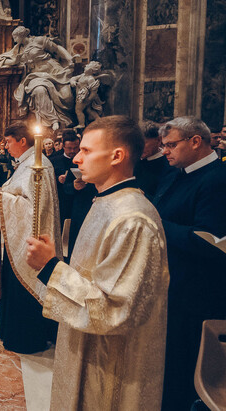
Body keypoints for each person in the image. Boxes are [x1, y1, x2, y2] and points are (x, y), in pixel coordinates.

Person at [26, 115, 169, 410]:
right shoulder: (105, 201)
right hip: (86, 345)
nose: (77, 158)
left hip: (111, 364)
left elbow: (115, 309)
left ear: (117, 155)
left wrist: (52, 266)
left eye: (87, 151)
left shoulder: (133, 220)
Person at [151, 116, 226, 410]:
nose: (165, 151)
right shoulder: (176, 172)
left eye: (171, 145)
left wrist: (156, 223)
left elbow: (211, 241)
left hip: (196, 291)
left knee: (185, 366)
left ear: (196, 141)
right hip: (170, 284)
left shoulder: (217, 180)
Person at [0, 122, 60, 354]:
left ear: (22, 141)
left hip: (29, 240)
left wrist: (4, 198)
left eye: (8, 142)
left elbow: (35, 209)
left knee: (26, 285)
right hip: (18, 237)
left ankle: (25, 337)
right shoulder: (27, 163)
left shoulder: (37, 165)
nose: (5, 146)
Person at [134, 121, 170, 199]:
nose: (139, 147)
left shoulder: (169, 164)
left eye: (144, 143)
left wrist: (142, 195)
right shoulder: (134, 160)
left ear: (159, 140)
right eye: (137, 143)